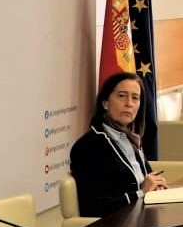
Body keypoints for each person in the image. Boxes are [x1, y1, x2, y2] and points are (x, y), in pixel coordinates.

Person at [69, 71, 168, 217]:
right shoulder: (89, 146)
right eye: (122, 96)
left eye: (135, 98)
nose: (129, 104)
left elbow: (145, 180)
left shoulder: (132, 138)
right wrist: (142, 192)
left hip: (141, 217)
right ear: (105, 102)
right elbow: (93, 206)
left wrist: (156, 185)